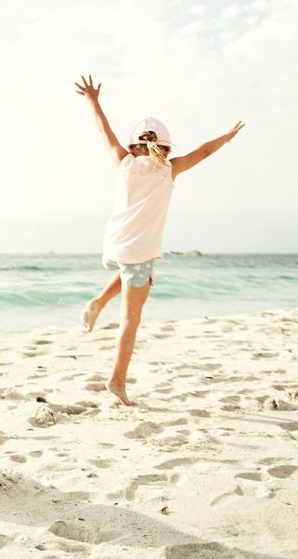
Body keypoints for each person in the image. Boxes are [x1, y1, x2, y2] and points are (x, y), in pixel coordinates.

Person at [75, 75, 244, 406]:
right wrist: (228, 136)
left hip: (114, 246)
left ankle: (97, 302)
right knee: (131, 320)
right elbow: (205, 151)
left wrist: (93, 100)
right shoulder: (170, 168)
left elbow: (102, 130)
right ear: (165, 147)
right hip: (140, 251)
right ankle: (117, 381)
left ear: (133, 145)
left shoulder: (122, 162)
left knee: (129, 272)